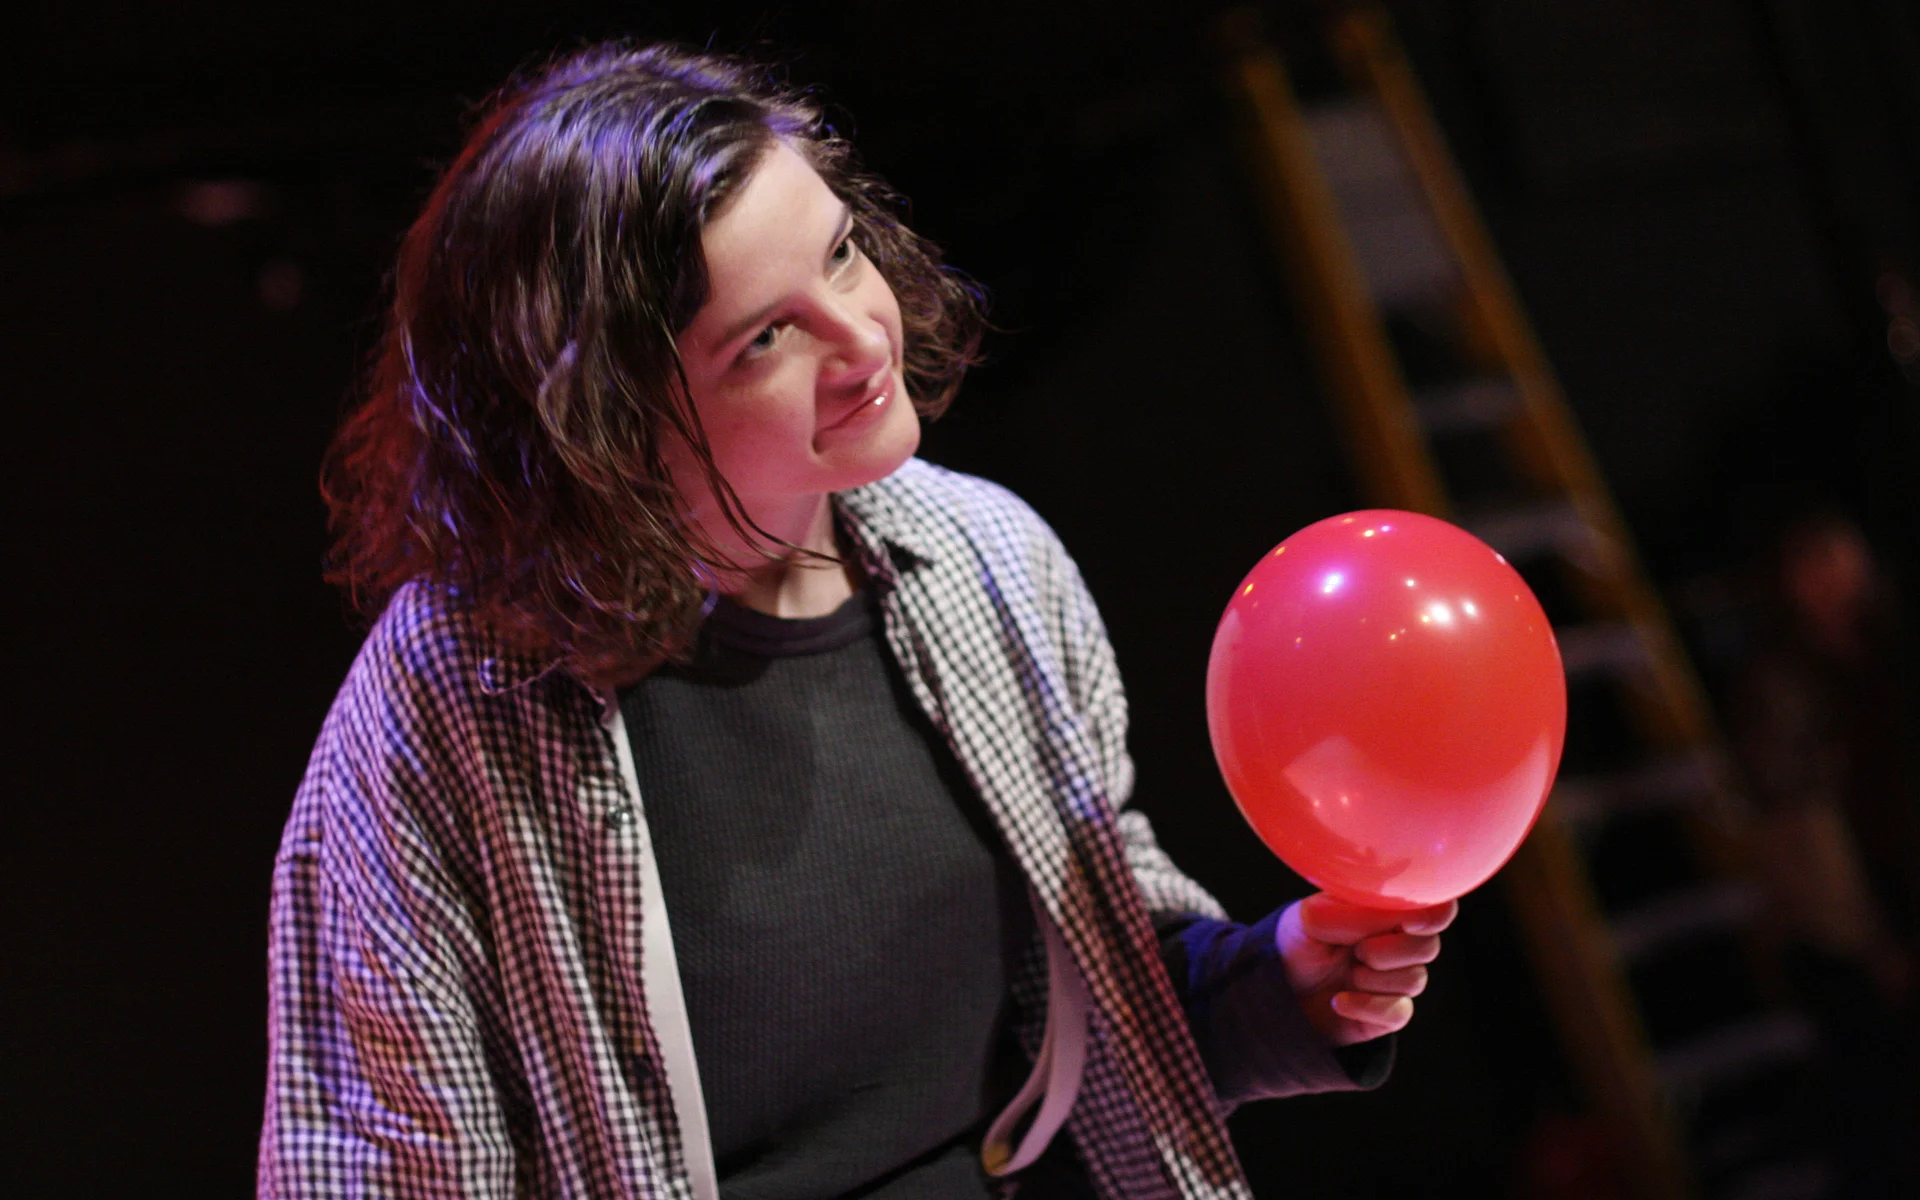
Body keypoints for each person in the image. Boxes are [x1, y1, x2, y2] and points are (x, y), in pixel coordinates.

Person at [259, 43, 1455, 1199]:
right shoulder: (452, 709)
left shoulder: (985, 558)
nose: (861, 339)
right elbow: (382, 1163)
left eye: (839, 255)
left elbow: (1099, 1015)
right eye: (765, 338)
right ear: (607, 426)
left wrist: (1276, 989)